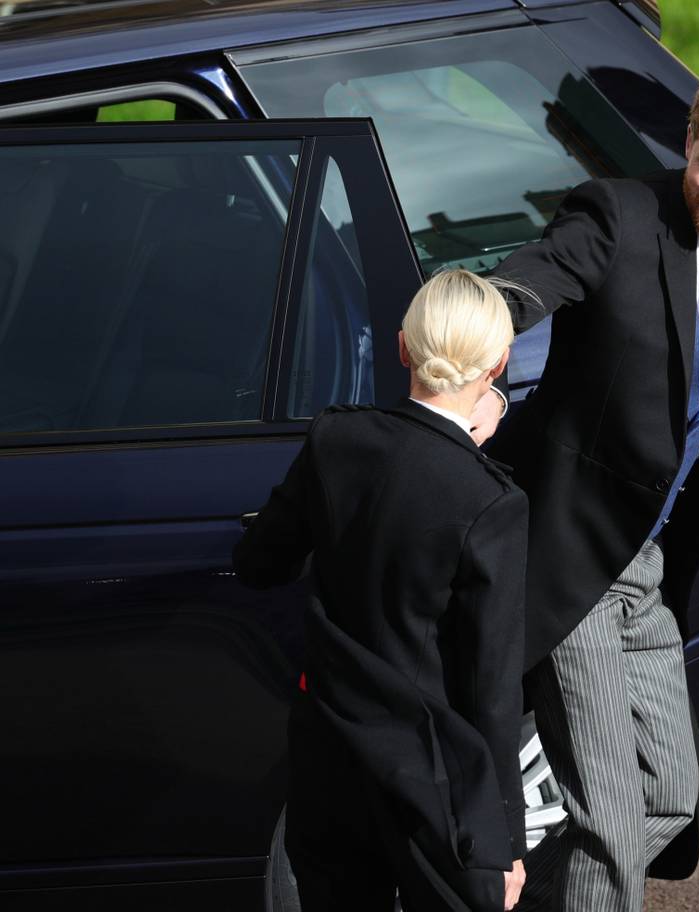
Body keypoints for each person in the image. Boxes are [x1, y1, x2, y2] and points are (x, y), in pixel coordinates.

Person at [473, 65, 699, 910]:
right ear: (685, 147)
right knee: (609, 822)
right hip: (569, 556)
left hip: (645, 567)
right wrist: (471, 328)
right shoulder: (619, 218)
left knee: (666, 799)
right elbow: (535, 277)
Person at [233, 269, 529, 911]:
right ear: (499, 366)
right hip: (429, 772)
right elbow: (492, 688)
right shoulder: (490, 502)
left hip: (327, 749)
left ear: (401, 348)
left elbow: (260, 565)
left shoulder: (336, 439)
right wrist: (502, 836)